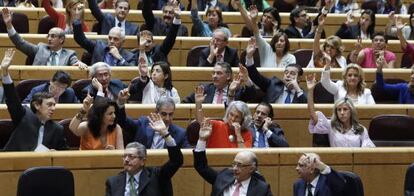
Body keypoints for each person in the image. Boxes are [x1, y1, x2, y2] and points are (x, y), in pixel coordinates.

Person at [1, 49, 68, 151]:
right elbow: (12, 99)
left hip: (41, 166)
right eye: (49, 105)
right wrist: (5, 73)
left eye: (54, 105)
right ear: (37, 105)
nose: (53, 108)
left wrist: (56, 154)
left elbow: (65, 154)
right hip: (15, 164)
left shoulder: (57, 129)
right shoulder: (23, 117)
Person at [193, 121, 272, 195]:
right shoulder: (223, 177)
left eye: (240, 165)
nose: (235, 168)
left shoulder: (261, 189)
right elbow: (201, 166)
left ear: (251, 168)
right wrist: (202, 139)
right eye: (234, 164)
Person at [306, 73, 376, 147]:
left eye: (345, 109)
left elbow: (368, 150)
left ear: (351, 111)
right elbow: (313, 115)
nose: (342, 113)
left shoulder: (361, 129)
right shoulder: (331, 126)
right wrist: (310, 90)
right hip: (335, 158)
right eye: (339, 110)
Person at [2, 8, 85, 67]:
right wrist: (9, 25)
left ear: (61, 39)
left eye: (53, 36)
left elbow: (75, 63)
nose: (49, 39)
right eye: (48, 36)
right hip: (39, 86)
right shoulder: (40, 49)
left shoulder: (70, 54)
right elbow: (20, 43)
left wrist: (79, 64)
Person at [105, 140, 183, 196]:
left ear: (143, 161)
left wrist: (166, 135)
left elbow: (176, 161)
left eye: (131, 156)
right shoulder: (113, 182)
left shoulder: (157, 176)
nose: (126, 160)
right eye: (125, 156)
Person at [117, 94, 191, 149]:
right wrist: (120, 104)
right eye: (164, 114)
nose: (167, 118)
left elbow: (187, 155)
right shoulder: (143, 123)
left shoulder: (180, 133)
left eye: (170, 114)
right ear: (156, 112)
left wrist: (166, 134)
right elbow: (123, 121)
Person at [240, 4, 296, 68]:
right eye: (264, 16)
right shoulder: (256, 27)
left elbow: (275, 42)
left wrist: (275, 30)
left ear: (275, 20)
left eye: (269, 17)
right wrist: (253, 19)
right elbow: (257, 34)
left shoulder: (281, 32)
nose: (265, 19)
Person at [182, 62, 255, 103]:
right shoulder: (204, 88)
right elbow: (185, 103)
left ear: (228, 76)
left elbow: (251, 95)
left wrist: (246, 79)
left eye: (219, 73)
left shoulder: (237, 90)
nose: (214, 76)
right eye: (213, 73)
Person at [376, 34, 414, 104]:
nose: (412, 76)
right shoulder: (404, 87)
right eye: (412, 74)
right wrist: (379, 69)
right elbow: (381, 87)